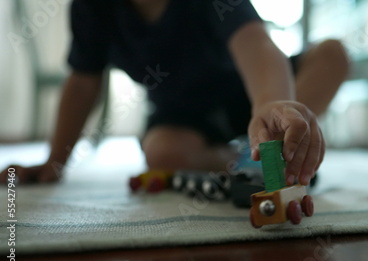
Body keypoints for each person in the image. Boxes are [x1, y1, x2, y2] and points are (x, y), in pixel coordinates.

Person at [0, 0, 348, 186]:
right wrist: (54, 162)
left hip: (249, 93)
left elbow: (254, 43)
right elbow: (83, 81)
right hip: (182, 113)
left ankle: (285, 144)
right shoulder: (93, 7)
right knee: (163, 153)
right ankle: (249, 162)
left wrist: (272, 104)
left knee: (333, 55)